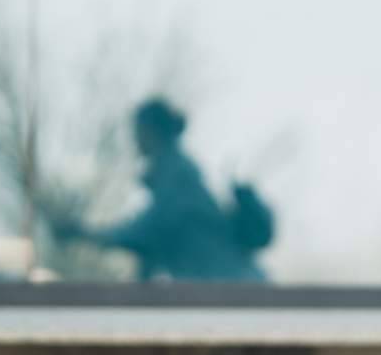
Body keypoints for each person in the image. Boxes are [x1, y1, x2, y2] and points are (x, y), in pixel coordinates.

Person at [52, 97, 274, 281]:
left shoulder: (178, 175)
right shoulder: (175, 171)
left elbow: (144, 232)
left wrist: (82, 233)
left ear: (151, 131)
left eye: (138, 131)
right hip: (223, 286)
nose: (135, 140)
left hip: (231, 286)